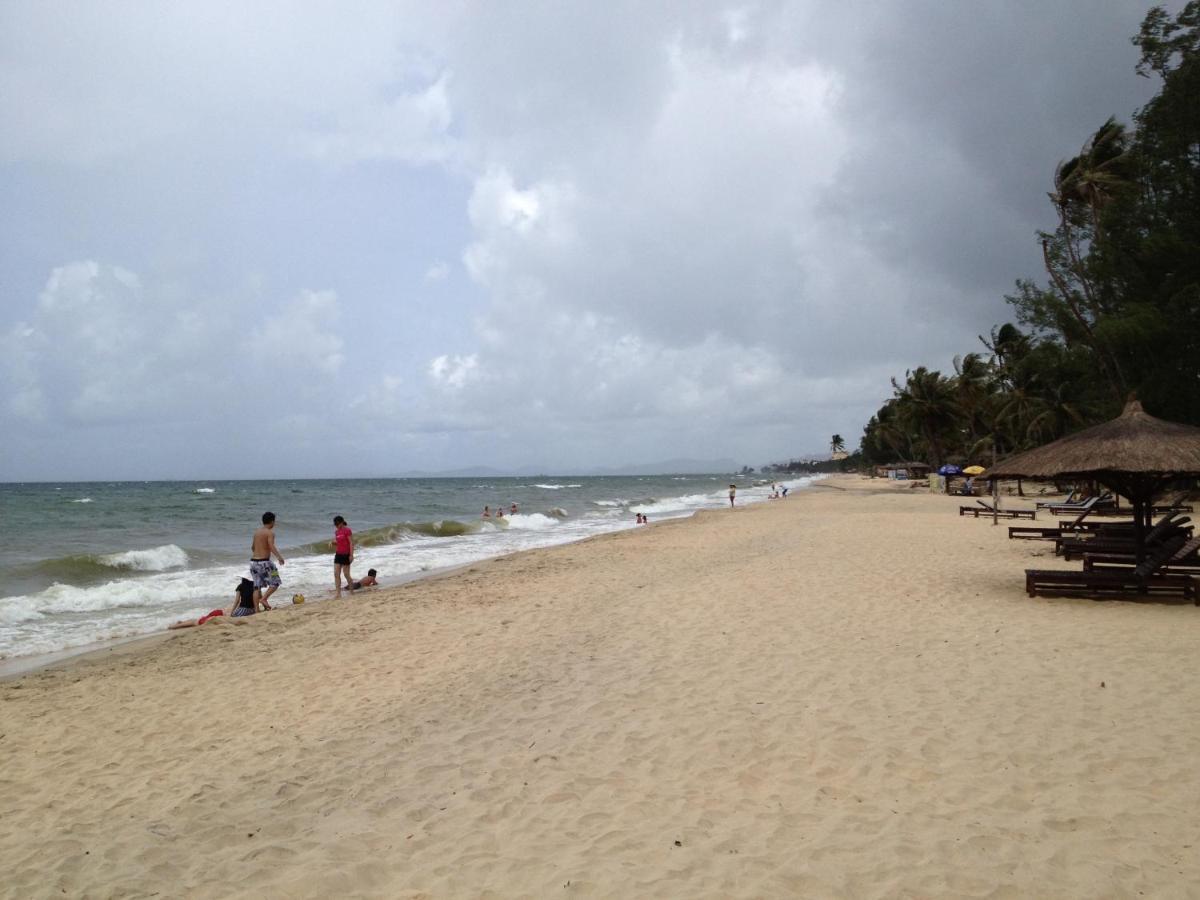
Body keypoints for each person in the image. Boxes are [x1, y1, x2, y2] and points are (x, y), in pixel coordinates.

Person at [250, 512, 284, 609]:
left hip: (253, 562)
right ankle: (264, 599)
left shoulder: (256, 532)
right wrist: (279, 557)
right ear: (272, 521)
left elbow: (252, 547)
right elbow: (271, 546)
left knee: (256, 587)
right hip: (265, 563)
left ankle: (256, 610)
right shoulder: (270, 533)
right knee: (275, 582)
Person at [331, 515, 354, 598]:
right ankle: (338, 593)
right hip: (338, 554)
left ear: (342, 522)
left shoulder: (347, 530)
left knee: (346, 574)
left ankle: (351, 591)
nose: (336, 526)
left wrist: (351, 555)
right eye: (335, 524)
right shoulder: (336, 532)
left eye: (337, 524)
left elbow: (351, 543)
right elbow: (338, 542)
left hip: (346, 554)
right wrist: (333, 543)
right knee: (336, 573)